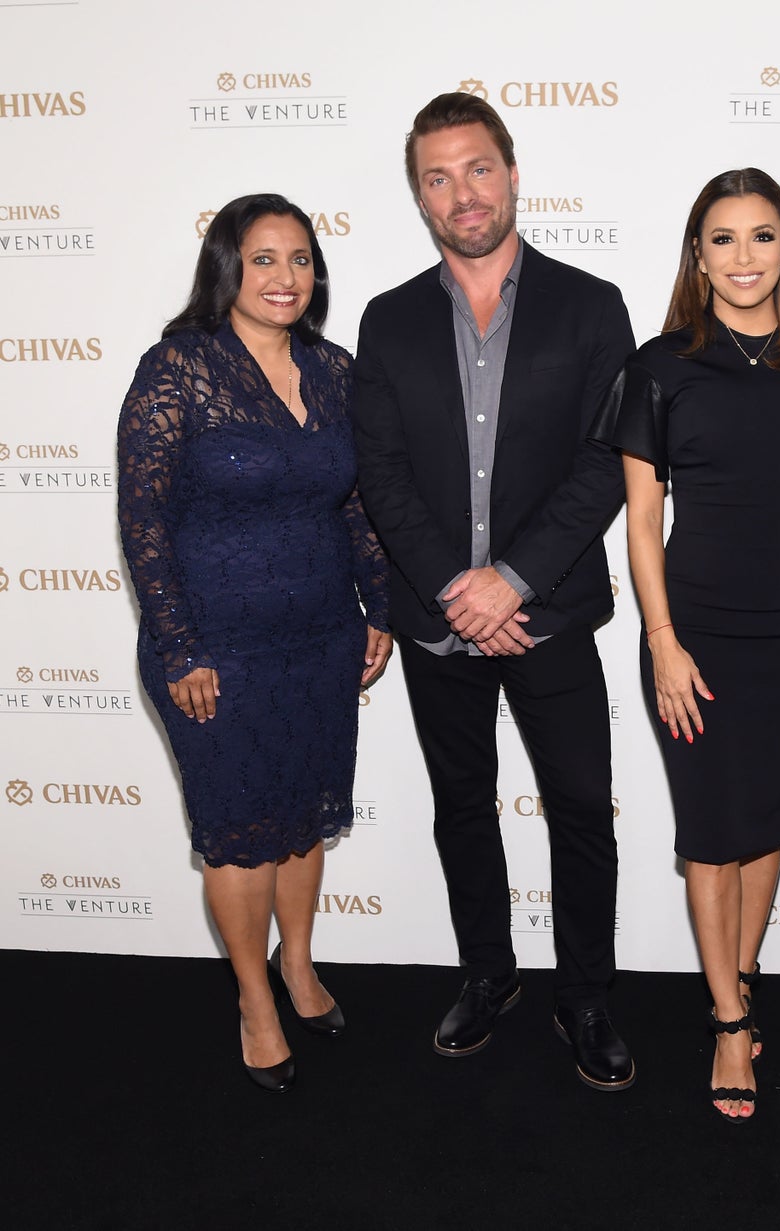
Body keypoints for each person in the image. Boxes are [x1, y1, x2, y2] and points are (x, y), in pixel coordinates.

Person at [351, 93, 635, 1091]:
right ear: (419, 194)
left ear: (511, 173)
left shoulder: (590, 304)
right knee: (462, 805)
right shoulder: (386, 321)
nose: (460, 193)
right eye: (437, 176)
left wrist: (508, 581)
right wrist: (450, 588)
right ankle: (486, 973)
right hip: (436, 626)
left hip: (547, 611)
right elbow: (378, 471)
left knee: (579, 811)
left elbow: (605, 462)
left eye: (476, 168)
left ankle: (586, 993)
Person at [117, 193, 392, 1094]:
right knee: (239, 835)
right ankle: (254, 998)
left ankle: (300, 965)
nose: (285, 277)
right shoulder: (179, 368)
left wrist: (379, 608)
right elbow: (144, 517)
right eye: (265, 258)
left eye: (301, 259)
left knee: (306, 813)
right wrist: (180, 644)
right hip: (214, 648)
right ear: (228, 269)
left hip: (320, 634)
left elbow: (355, 504)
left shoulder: (336, 369)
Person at [593, 169, 780, 1121]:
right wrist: (660, 640)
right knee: (711, 827)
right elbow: (643, 517)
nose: (743, 257)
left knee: (765, 826)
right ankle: (729, 1023)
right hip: (693, 627)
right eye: (722, 239)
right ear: (696, 257)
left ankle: (739, 977)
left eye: (761, 236)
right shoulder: (660, 366)